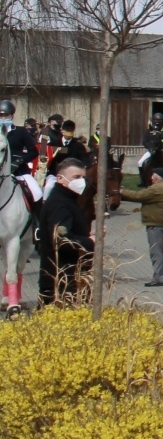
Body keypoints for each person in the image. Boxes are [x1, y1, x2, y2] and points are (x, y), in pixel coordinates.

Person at [38, 160, 92, 306]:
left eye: (83, 177)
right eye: (76, 177)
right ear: (60, 178)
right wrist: (90, 241)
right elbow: (62, 241)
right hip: (61, 280)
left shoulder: (68, 199)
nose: (81, 182)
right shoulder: (60, 204)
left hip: (67, 278)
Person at [121, 164, 163, 287]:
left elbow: (139, 196)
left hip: (155, 223)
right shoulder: (162, 187)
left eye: (152, 175)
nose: (151, 177)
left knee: (155, 251)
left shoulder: (157, 188)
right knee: (160, 249)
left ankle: (159, 278)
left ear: (157, 177)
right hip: (159, 222)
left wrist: (121, 192)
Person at [1, 100, 42, 205]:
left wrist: (20, 160)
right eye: (1, 116)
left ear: (12, 116)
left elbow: (33, 152)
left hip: (19, 171)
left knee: (37, 192)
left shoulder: (21, 131)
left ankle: (37, 220)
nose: (3, 118)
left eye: (6, 116)